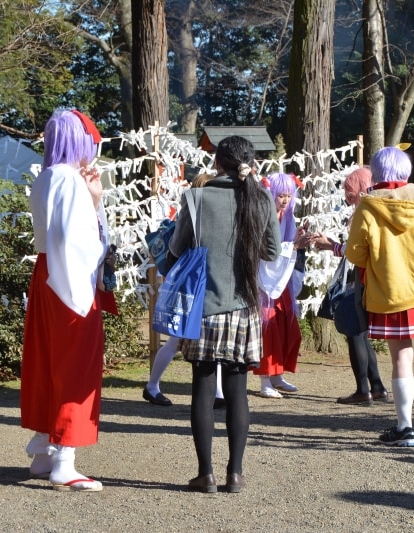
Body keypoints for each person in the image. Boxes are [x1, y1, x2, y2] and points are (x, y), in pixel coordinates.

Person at [169, 136, 281, 493]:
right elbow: (272, 252)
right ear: (249, 163)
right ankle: (235, 473)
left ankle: (206, 474)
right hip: (243, 306)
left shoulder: (197, 197)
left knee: (202, 389)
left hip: (203, 306)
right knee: (237, 391)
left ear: (217, 163)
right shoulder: (260, 197)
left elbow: (175, 248)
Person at [21, 108, 116, 492]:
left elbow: (56, 235)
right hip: (69, 281)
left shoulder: (47, 177)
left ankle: (45, 452)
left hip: (47, 276)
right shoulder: (69, 179)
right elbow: (74, 240)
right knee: (74, 368)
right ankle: (64, 460)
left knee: (47, 363)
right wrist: (94, 204)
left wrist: (91, 200)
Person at [345, 146, 414, 447]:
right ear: (406, 170)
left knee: (401, 360)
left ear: (377, 172)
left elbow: (354, 253)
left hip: (392, 294)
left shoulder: (368, 206)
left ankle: (405, 427)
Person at [143, 173, 226, 409]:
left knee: (195, 337)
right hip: (193, 283)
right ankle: (152, 386)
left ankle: (216, 391)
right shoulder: (195, 216)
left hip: (195, 281)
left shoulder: (192, 213)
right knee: (179, 338)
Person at [312, 166, 389, 406]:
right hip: (370, 278)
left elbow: (357, 251)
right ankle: (376, 386)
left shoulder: (364, 212)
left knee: (354, 332)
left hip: (362, 279)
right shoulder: (377, 210)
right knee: (361, 333)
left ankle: (362, 390)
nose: (346, 194)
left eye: (349, 189)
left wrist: (330, 246)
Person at [254, 172, 311, 398]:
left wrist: (297, 238)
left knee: (287, 328)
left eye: (289, 195)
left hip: (281, 280)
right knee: (268, 331)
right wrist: (293, 246)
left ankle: (277, 375)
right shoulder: (262, 217)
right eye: (280, 195)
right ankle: (265, 380)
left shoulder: (287, 217)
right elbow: (265, 254)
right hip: (264, 281)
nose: (285, 200)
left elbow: (285, 247)